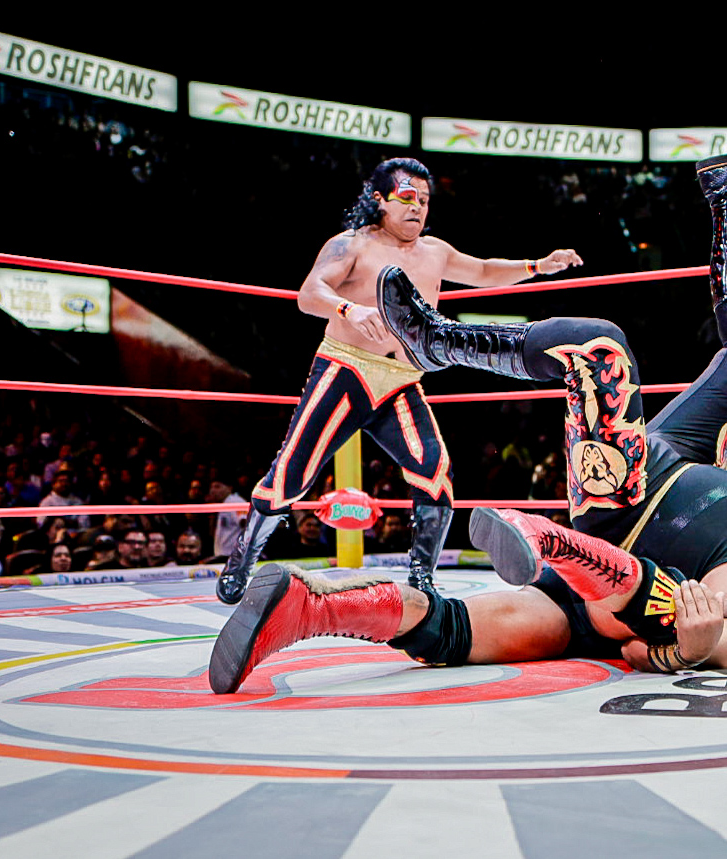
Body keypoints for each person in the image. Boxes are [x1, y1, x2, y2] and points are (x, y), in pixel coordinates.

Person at [209, 146, 727, 694]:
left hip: (622, 520)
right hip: (671, 464)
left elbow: (642, 641)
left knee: (599, 350)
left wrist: (693, 647)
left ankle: (445, 354)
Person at [214, 156, 583, 605]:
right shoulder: (352, 244)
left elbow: (483, 272)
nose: (417, 208)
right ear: (379, 199)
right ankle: (241, 563)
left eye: (424, 200)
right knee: (291, 476)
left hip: (402, 382)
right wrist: (349, 309)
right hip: (345, 369)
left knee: (435, 474)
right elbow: (309, 294)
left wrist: (537, 265)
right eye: (407, 197)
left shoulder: (435, 251)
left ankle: (422, 577)